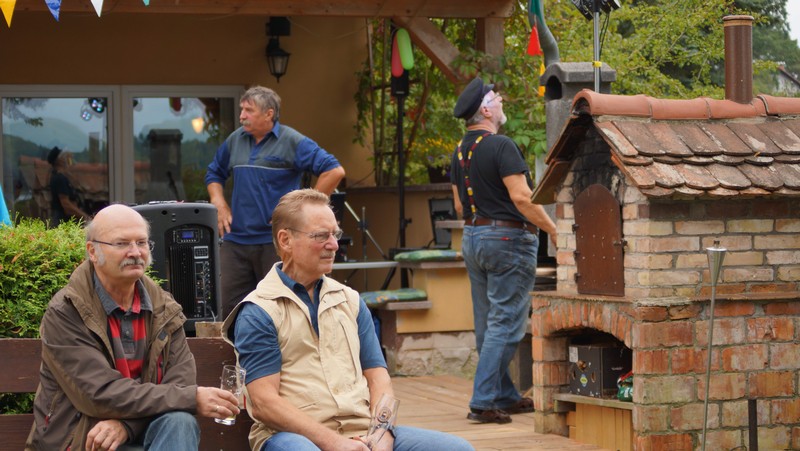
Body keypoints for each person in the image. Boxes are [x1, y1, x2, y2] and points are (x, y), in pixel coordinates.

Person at [222, 189, 474, 451]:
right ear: (285, 240)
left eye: (335, 234)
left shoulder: (350, 300)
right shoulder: (260, 310)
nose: (334, 245)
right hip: (292, 437)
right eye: (321, 236)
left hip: (363, 432)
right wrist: (336, 443)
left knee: (458, 449)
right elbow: (265, 403)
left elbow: (379, 378)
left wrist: (382, 433)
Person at [26, 204, 240, 451]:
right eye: (122, 244)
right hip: (85, 438)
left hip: (148, 435)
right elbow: (99, 394)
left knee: (179, 422)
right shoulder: (66, 311)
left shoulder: (165, 308)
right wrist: (191, 398)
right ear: (92, 251)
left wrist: (127, 426)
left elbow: (179, 384)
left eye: (141, 242)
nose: (135, 252)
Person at [450, 77, 558, 425]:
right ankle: (483, 401)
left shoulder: (460, 151)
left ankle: (504, 394)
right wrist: (554, 231)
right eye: (496, 98)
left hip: (473, 237)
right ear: (485, 110)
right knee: (507, 323)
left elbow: (459, 206)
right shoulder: (501, 146)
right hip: (508, 241)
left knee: (487, 323)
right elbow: (522, 198)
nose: (501, 102)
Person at [206, 86, 345, 317]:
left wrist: (303, 210)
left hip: (277, 242)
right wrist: (218, 202)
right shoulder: (235, 140)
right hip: (236, 240)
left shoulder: (292, 140)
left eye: (249, 110)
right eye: (242, 109)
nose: (242, 116)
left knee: (283, 306)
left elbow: (333, 171)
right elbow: (214, 173)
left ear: (268, 114)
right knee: (226, 310)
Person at [48, 146, 91, 227]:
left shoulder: (60, 176)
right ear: (60, 161)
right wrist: (85, 217)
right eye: (67, 158)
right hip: (62, 222)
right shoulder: (59, 178)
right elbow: (66, 204)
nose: (69, 161)